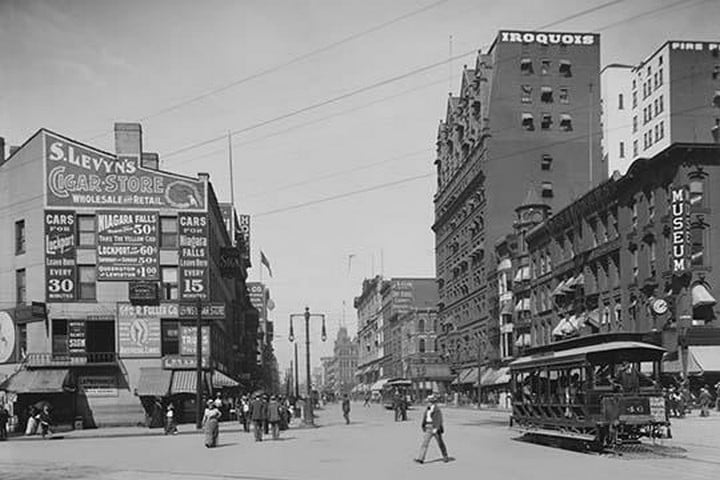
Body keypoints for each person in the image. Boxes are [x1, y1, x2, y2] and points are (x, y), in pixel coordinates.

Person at [414, 395, 449, 464]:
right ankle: (421, 458)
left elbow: (439, 419)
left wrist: (436, 428)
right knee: (425, 443)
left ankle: (445, 456)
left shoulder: (436, 409)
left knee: (440, 443)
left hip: (435, 427)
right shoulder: (428, 408)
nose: (428, 402)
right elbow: (426, 417)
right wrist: (424, 425)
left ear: (432, 402)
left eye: (429, 401)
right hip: (428, 427)